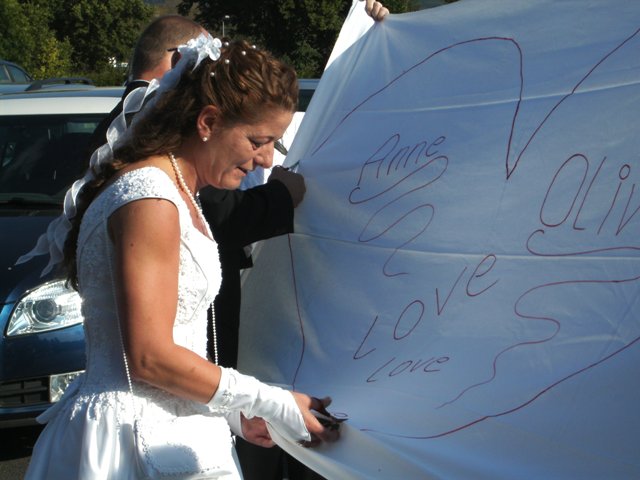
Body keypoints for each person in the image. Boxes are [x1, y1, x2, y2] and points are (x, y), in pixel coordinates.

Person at [21, 33, 340, 479]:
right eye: (257, 140)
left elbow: (180, 340)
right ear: (208, 121)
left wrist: (233, 414)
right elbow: (148, 356)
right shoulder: (150, 198)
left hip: (172, 428)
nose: (267, 159)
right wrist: (272, 402)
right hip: (131, 440)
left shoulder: (174, 191)